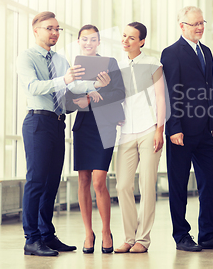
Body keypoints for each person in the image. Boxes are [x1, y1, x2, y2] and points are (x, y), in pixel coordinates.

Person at [160, 6, 213, 252]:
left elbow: (210, 88)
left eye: (202, 23)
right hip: (180, 130)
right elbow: (171, 94)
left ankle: (208, 234)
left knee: (211, 178)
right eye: (195, 24)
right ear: (182, 26)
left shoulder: (207, 52)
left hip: (204, 128)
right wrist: (174, 128)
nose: (200, 27)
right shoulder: (171, 54)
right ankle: (181, 235)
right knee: (178, 184)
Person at [16, 11, 84, 256]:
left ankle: (46, 235)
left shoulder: (61, 59)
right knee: (36, 181)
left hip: (57, 122)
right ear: (36, 31)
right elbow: (33, 87)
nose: (54, 32)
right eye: (49, 28)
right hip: (37, 122)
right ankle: (31, 238)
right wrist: (63, 80)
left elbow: (71, 90)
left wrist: (95, 86)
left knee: (52, 181)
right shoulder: (26, 57)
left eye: (57, 29)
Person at [67, 25, 125, 254]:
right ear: (79, 42)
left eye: (93, 39)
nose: (88, 43)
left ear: (98, 42)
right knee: (83, 181)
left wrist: (95, 96)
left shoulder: (109, 63)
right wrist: (81, 98)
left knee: (99, 181)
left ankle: (105, 231)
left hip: (105, 126)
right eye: (84, 39)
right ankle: (88, 232)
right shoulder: (75, 68)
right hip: (83, 127)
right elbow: (68, 98)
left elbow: (120, 92)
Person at [114, 22, 166, 254]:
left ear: (142, 41)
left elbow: (161, 98)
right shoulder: (117, 66)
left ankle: (142, 239)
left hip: (149, 129)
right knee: (123, 185)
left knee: (146, 184)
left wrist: (159, 130)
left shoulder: (154, 64)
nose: (125, 41)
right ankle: (128, 236)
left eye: (131, 38)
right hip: (125, 133)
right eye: (124, 36)